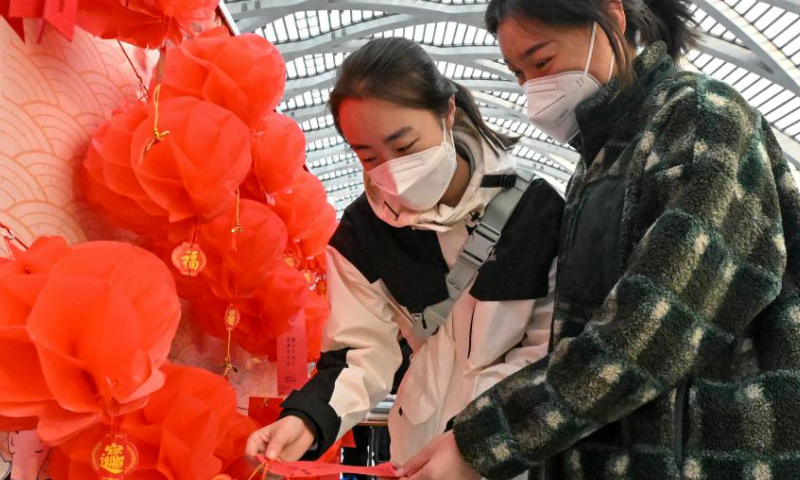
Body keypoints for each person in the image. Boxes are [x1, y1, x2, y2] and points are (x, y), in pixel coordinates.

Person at [397, 1, 800, 480]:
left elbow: (655, 324)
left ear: (611, 15)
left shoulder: (701, 120)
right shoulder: (600, 161)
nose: (531, 89)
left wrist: (483, 440)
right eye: (519, 73)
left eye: (541, 61)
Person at [244, 37, 565, 479]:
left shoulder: (536, 211)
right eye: (368, 155)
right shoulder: (362, 236)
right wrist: (305, 419)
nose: (391, 170)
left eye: (405, 145)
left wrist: (475, 441)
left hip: (513, 452)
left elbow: (548, 348)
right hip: (417, 456)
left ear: (448, 112)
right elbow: (360, 354)